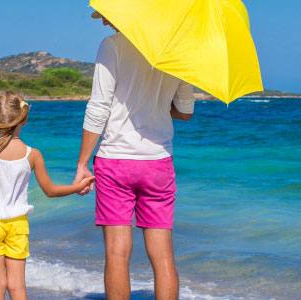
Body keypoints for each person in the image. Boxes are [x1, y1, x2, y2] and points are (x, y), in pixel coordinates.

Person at [74, 12, 195, 300]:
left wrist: (81, 163)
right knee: (163, 254)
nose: (103, 21)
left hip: (116, 160)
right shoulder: (177, 52)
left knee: (117, 252)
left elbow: (99, 107)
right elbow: (185, 112)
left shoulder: (112, 46)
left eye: (107, 15)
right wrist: (154, 105)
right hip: (158, 162)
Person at [0, 91, 95, 300]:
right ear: (24, 118)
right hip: (18, 225)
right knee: (17, 287)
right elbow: (50, 191)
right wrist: (76, 187)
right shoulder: (32, 154)